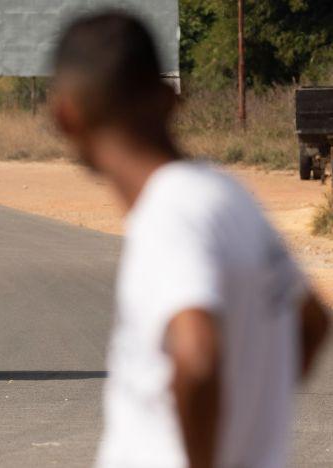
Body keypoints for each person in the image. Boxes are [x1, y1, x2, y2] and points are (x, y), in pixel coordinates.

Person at [49, 12, 330, 468]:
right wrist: (252, 424)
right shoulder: (230, 194)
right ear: (170, 99)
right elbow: (313, 322)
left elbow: (197, 357)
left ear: (65, 116)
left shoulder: (167, 212)